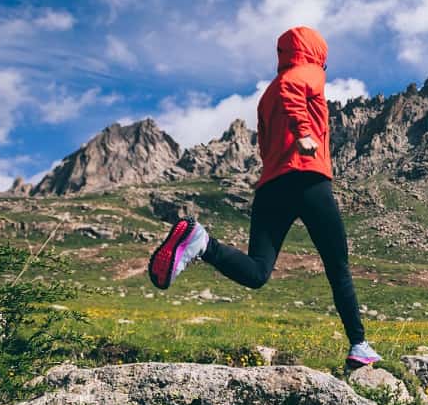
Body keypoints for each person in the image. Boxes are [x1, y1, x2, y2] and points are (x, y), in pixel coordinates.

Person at [147, 26, 381, 370]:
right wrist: (304, 133)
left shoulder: (267, 93)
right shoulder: (307, 72)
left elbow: (268, 137)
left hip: (272, 185)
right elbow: (293, 91)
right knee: (337, 264)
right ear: (316, 53)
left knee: (258, 271)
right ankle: (359, 344)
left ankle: (203, 244)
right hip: (308, 178)